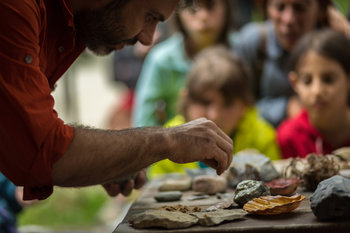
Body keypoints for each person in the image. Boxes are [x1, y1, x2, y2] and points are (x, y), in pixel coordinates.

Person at [0, 0, 233, 203]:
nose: (147, 38)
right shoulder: (14, 8)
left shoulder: (72, 22)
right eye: (150, 17)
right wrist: (167, 141)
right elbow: (42, 148)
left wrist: (111, 160)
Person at [148, 46, 281, 180]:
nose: (214, 115)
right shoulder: (169, 140)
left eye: (228, 104)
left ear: (245, 105)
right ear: (185, 99)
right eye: (205, 102)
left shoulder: (263, 138)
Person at [234, 0, 350, 127]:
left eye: (300, 8)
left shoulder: (339, 44)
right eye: (280, 7)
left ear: (321, 10)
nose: (288, 19)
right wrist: (285, 108)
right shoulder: (253, 43)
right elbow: (235, 106)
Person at [132, 0, 236, 127]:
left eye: (211, 6)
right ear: (177, 10)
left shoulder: (244, 49)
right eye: (193, 9)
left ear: (226, 8)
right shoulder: (162, 60)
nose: (203, 16)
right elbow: (143, 122)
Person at [277, 29, 350, 158]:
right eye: (307, 81)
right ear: (295, 83)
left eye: (328, 79)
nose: (317, 91)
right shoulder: (288, 138)